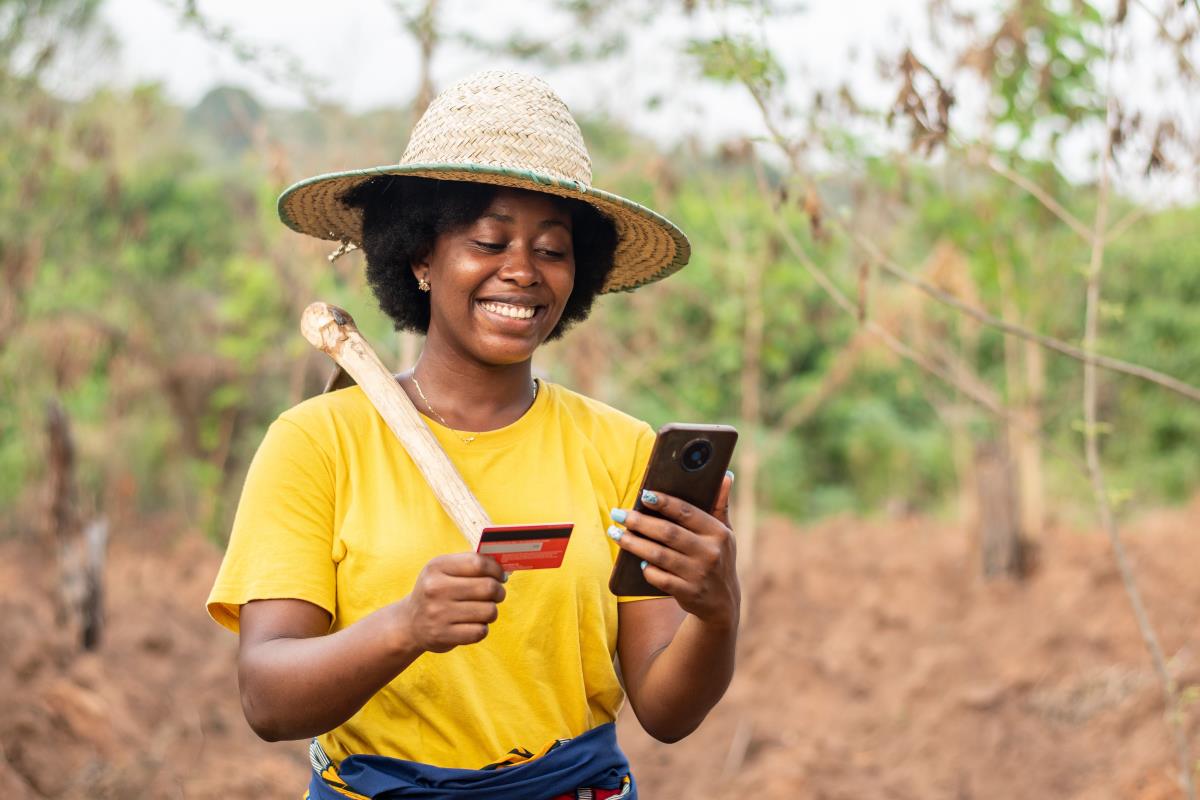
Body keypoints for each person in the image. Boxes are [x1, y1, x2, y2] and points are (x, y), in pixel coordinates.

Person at [207, 70, 740, 799]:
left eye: (552, 250)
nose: (521, 272)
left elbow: (665, 710)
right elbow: (266, 697)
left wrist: (716, 611)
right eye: (489, 240)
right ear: (421, 257)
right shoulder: (319, 443)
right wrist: (405, 627)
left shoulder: (618, 449)